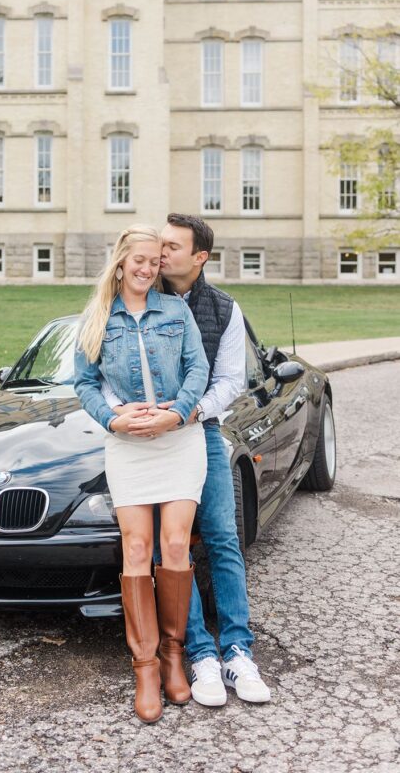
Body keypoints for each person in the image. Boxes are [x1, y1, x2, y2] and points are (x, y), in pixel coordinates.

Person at [107, 214, 271, 706]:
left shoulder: (223, 309)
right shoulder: (135, 296)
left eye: (171, 247)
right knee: (164, 547)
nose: (160, 254)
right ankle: (196, 652)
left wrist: (184, 414)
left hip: (201, 434)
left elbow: (228, 381)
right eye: (156, 246)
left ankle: (238, 650)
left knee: (222, 537)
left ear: (199, 257)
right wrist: (122, 415)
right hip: (139, 442)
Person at [73, 225, 209, 724]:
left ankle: (175, 655)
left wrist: (178, 413)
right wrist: (114, 419)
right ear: (121, 261)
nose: (149, 269)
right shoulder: (98, 317)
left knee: (175, 546)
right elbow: (84, 383)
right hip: (128, 446)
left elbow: (198, 370)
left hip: (178, 440)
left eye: (156, 261)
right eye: (141, 260)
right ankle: (145, 666)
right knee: (136, 548)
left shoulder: (176, 310)